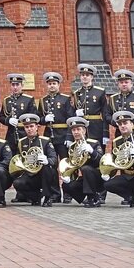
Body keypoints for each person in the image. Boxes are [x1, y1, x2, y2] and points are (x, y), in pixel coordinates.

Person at [38, 72, 75, 203]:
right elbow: (38, 119)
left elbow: (71, 119)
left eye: (54, 83)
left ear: (59, 85)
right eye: (49, 84)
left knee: (66, 165)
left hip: (63, 135)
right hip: (49, 136)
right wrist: (44, 119)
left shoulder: (65, 99)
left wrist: (70, 136)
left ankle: (68, 193)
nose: (52, 86)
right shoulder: (43, 101)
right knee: (51, 165)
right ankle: (55, 193)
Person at [10, 113, 58, 207]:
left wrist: (47, 160)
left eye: (31, 126)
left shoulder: (45, 141)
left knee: (47, 168)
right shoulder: (21, 142)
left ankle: (47, 197)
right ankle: (35, 198)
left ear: (37, 127)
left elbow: (54, 159)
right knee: (17, 183)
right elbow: (18, 159)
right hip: (29, 174)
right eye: (27, 127)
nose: (29, 129)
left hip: (43, 175)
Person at [60, 116, 104, 207]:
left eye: (78, 129)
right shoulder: (72, 147)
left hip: (96, 177)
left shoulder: (94, 143)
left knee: (86, 168)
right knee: (66, 185)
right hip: (84, 177)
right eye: (73, 130)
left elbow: (101, 161)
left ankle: (91, 198)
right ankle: (88, 198)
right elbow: (73, 164)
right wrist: (68, 175)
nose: (76, 132)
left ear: (84, 131)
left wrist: (92, 151)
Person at [105, 69, 134, 141]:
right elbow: (107, 115)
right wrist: (116, 123)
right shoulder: (113, 98)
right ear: (118, 84)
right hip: (120, 133)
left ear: (131, 84)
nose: (124, 84)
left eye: (126, 82)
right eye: (121, 82)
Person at [0, 73, 36, 155]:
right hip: (11, 135)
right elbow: (1, 117)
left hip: (25, 134)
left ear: (22, 85)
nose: (15, 87)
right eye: (13, 85)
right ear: (10, 86)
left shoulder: (28, 99)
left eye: (17, 84)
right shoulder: (6, 100)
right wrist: (8, 120)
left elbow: (34, 116)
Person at [71, 64, 107, 146]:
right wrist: (76, 114)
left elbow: (105, 113)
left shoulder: (100, 92)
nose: (84, 77)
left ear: (91, 77)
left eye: (87, 75)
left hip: (96, 127)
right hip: (82, 128)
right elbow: (73, 113)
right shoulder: (77, 93)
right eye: (82, 75)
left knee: (98, 151)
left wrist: (106, 133)